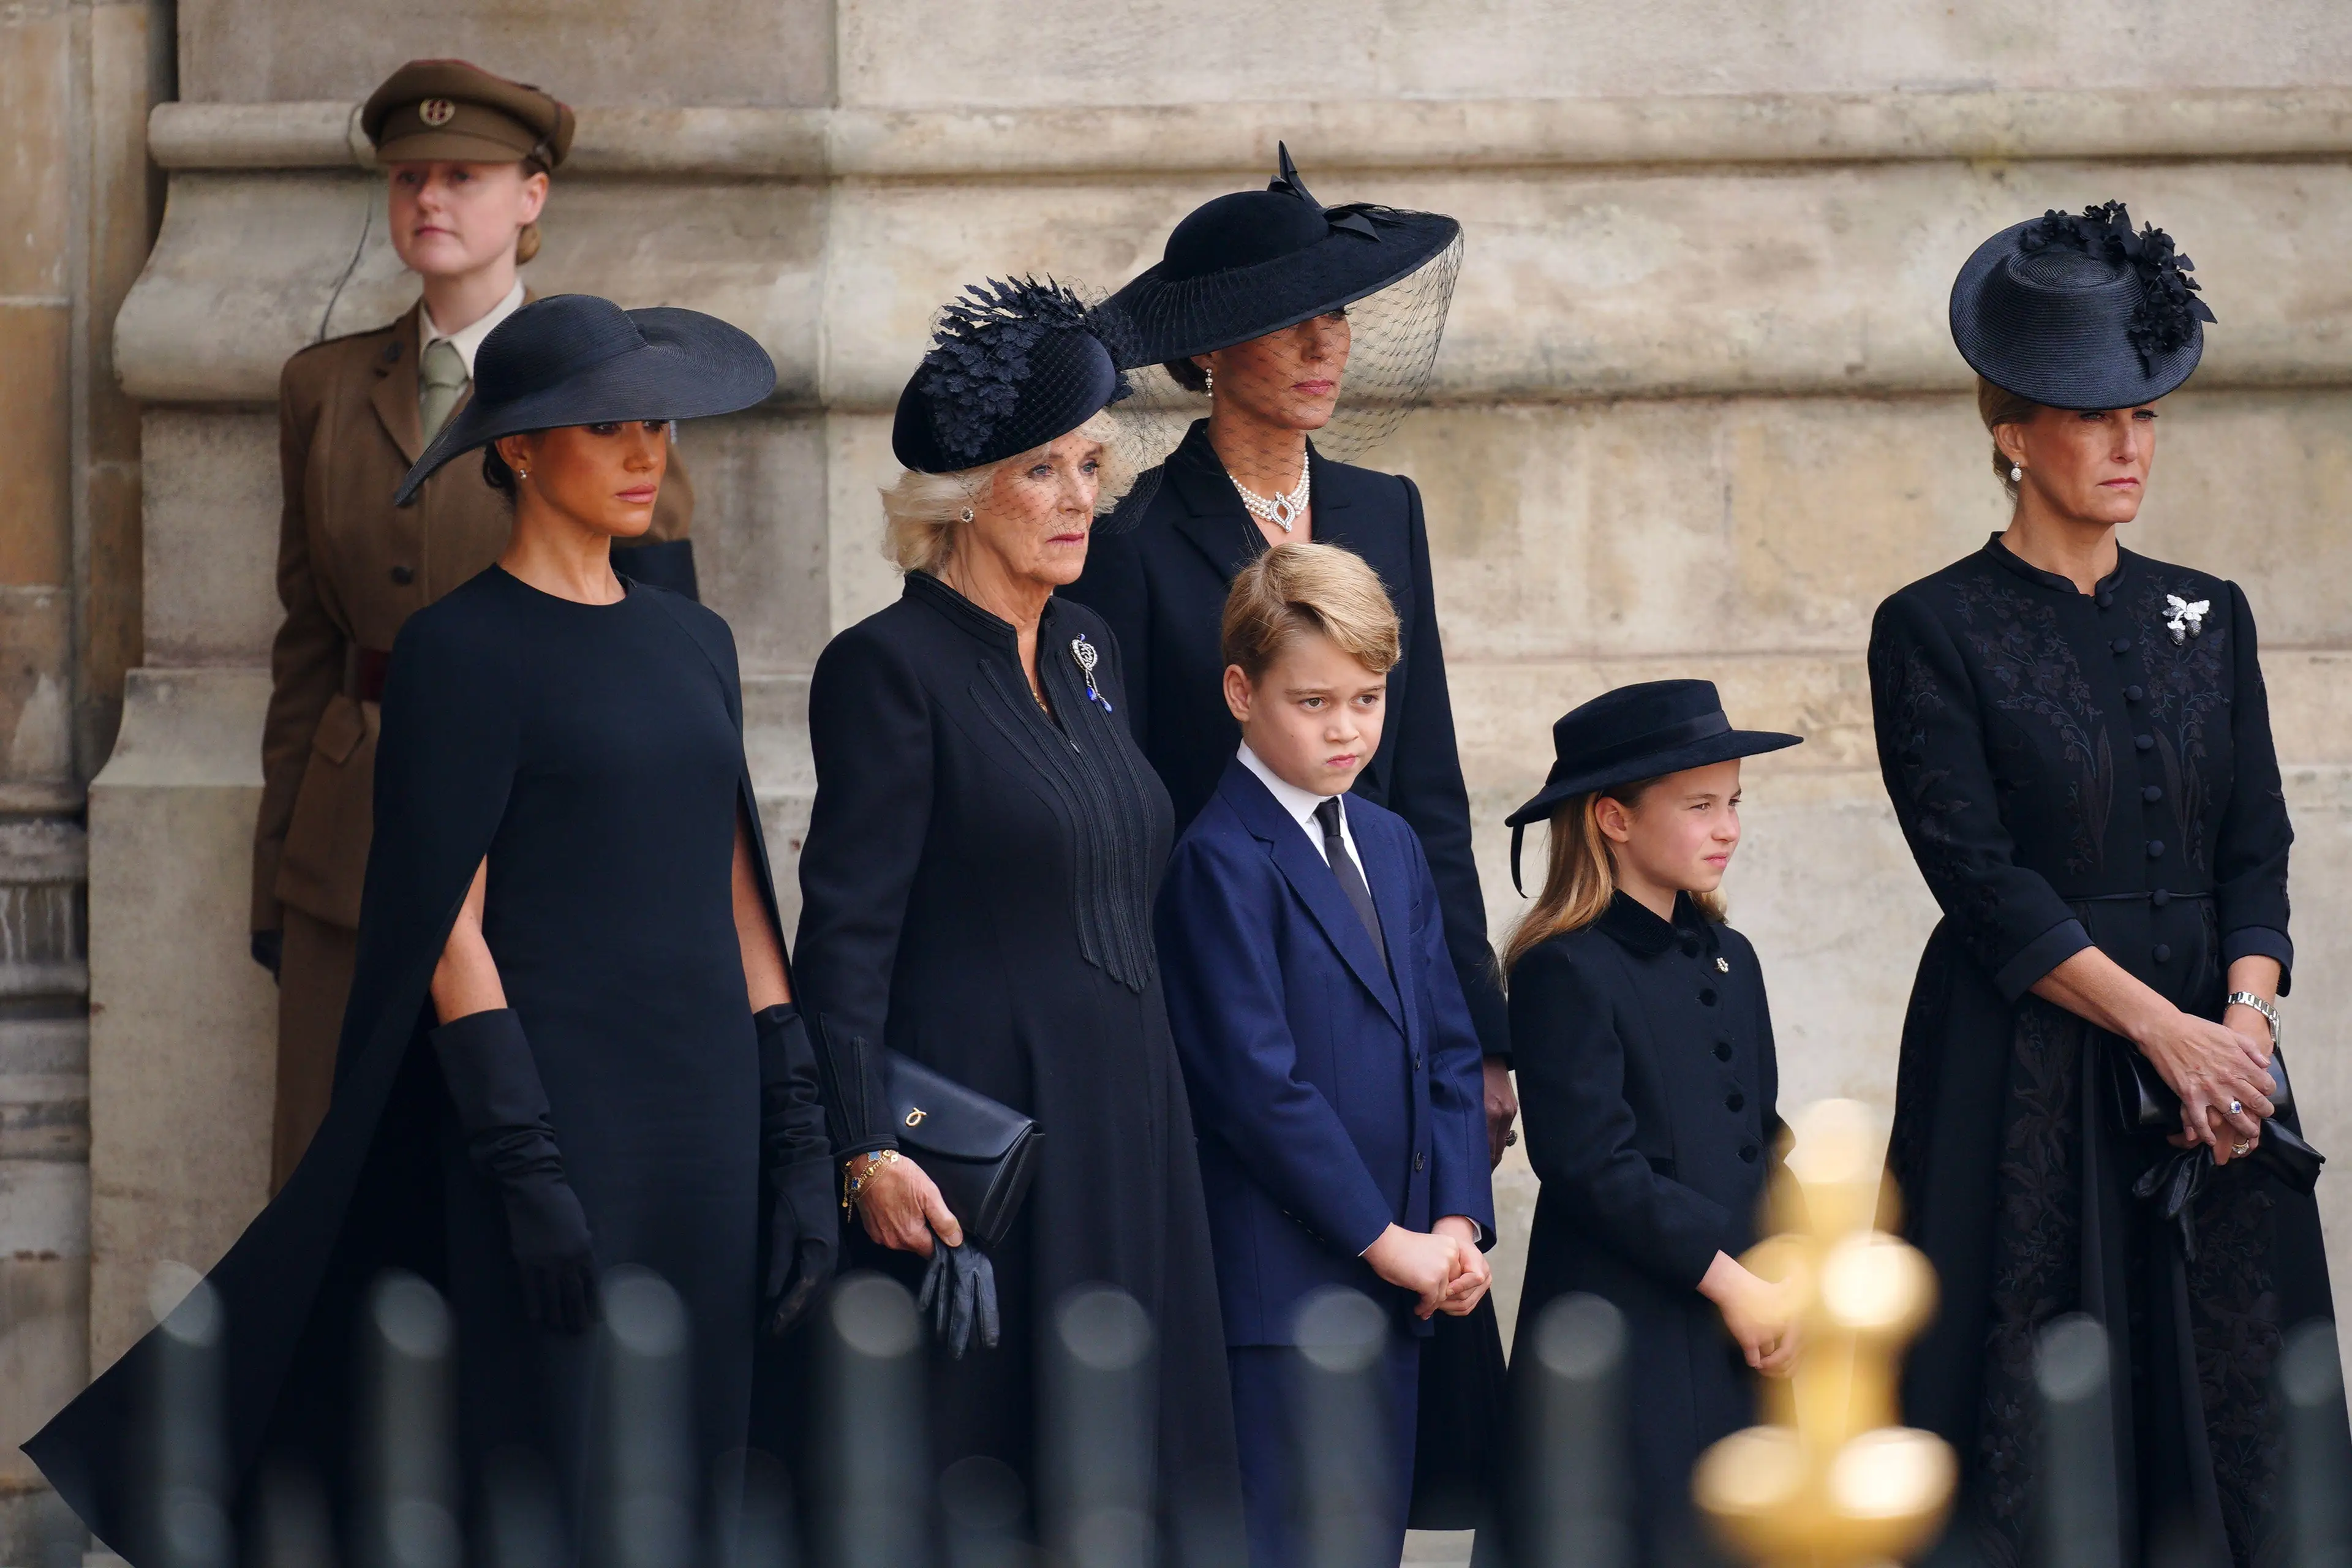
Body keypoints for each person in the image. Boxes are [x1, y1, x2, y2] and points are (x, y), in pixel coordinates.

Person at [29, 295, 824, 1561]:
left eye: (656, 423)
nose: (644, 453)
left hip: (709, 1122)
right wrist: (526, 1159)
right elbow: (448, 923)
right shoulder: (460, 650)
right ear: (516, 448)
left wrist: (795, 1119)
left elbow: (738, 886)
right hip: (561, 1118)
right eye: (605, 425)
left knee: (699, 1466)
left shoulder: (695, 638)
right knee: (555, 1475)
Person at [1871, 201, 2335, 1568]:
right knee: (2039, 1408)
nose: (2132, 445)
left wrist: (2242, 1024)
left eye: (2148, 414)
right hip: (2029, 1059)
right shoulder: (1930, 625)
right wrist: (2163, 1030)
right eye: (2095, 416)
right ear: (2012, 431)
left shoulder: (2214, 608)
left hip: (2224, 1064)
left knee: (2245, 1410)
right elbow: (1979, 876)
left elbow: (2257, 840)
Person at [1064, 146, 1513, 1525]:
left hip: (1391, 982)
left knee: (1386, 1439)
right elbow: (1131, 802)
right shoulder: (1139, 538)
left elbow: (1426, 780)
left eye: (1338, 312)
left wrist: (1483, 1035)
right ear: (1206, 350)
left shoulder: (1386, 511)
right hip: (1237, 1000)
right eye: (1289, 316)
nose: (1327, 343)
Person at [790, 278, 1243, 1558]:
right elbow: (846, 938)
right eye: (1042, 470)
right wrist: (867, 1145)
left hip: (1134, 1122)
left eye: (1089, 464)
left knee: (1138, 1466)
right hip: (991, 1153)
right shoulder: (887, 669)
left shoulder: (1093, 647)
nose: (1078, 496)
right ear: (965, 493)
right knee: (1007, 1476)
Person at [253, 59, 703, 1193]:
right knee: (336, 1177)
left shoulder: (608, 382)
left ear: (533, 196)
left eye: (463, 175)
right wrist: (276, 874)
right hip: (350, 841)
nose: (430, 200)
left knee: (506, 1169)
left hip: (536, 844)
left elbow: (666, 655)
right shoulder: (324, 384)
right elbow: (306, 641)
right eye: (409, 177)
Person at [1155, 541, 1494, 1568]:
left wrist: (1454, 1220)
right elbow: (1258, 1092)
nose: (1347, 729)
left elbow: (1447, 1044)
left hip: (1405, 1285)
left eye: (1368, 698)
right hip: (1285, 1297)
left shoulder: (1389, 843)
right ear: (1240, 692)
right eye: (1313, 702)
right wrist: (1388, 1241)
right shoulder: (1216, 862)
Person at [1498, 680, 1798, 1566]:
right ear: (1614, 820)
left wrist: (1787, 1272)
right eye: (1700, 804)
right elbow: (1591, 1165)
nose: (1728, 828)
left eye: (1734, 802)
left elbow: (1763, 1134)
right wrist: (1732, 1283)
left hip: (1739, 1319)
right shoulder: (1566, 968)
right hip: (1627, 1334)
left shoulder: (1728, 955)